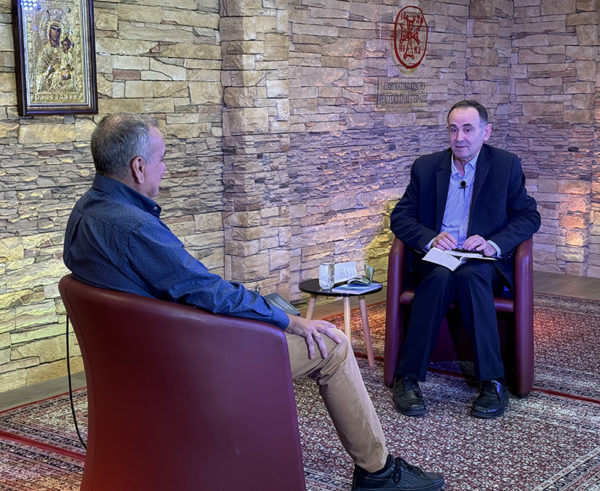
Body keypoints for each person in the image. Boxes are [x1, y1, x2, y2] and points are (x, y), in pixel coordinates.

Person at [63, 113, 444, 491]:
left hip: (133, 363)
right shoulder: (135, 227)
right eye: (162, 159)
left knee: (264, 314)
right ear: (138, 166)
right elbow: (208, 292)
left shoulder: (85, 211)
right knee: (333, 345)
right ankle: (378, 472)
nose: (165, 168)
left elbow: (182, 290)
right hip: (186, 362)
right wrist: (288, 320)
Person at [389, 100, 540, 419]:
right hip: (438, 257)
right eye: (453, 129)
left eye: (468, 129)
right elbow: (400, 217)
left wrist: (493, 244)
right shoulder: (426, 167)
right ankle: (408, 377)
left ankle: (493, 382)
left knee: (471, 276)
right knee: (439, 277)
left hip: (481, 260)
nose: (459, 138)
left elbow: (528, 216)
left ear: (486, 132)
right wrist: (430, 238)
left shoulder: (506, 165)